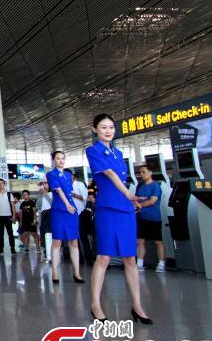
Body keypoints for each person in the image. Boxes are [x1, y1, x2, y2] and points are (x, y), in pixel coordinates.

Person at [86, 114, 151, 324]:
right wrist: (129, 194)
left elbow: (121, 178)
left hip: (125, 209)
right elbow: (112, 176)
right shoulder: (93, 150)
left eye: (111, 127)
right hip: (107, 208)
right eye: (103, 127)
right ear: (95, 129)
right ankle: (95, 305)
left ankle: (137, 306)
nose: (108, 131)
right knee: (104, 257)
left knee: (130, 258)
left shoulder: (119, 152)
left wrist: (130, 201)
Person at [45, 152, 84, 284]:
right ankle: (55, 272)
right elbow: (59, 190)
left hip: (71, 210)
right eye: (58, 158)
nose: (61, 161)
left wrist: (70, 205)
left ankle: (77, 273)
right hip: (59, 209)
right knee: (57, 241)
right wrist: (67, 204)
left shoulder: (68, 175)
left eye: (63, 158)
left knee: (73, 241)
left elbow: (68, 191)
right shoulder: (51, 174)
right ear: (53, 160)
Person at [135, 165, 166, 273]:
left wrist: (139, 205)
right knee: (140, 241)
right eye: (140, 172)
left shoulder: (155, 186)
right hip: (141, 217)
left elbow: (152, 201)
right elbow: (136, 199)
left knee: (158, 242)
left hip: (153, 218)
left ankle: (161, 264)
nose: (141, 174)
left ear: (150, 172)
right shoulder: (140, 185)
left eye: (144, 172)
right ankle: (139, 263)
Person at [0, 178, 17, 255]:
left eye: (2, 183)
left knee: (10, 234)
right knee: (0, 235)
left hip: (8, 216)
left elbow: (13, 206)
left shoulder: (9, 194)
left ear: (4, 184)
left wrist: (14, 216)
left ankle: (13, 249)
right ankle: (1, 250)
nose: (0, 185)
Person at [69, 171, 89, 263]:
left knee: (83, 236)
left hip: (80, 213)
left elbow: (85, 197)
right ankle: (78, 258)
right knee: (74, 237)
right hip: (70, 214)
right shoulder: (65, 186)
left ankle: (88, 257)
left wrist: (73, 195)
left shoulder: (80, 184)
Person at [38, 180, 53, 262]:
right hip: (43, 214)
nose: (44, 185)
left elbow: (52, 203)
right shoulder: (41, 194)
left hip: (50, 213)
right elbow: (38, 205)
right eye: (43, 184)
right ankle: (46, 252)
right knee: (44, 233)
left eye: (46, 184)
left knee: (50, 233)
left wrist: (45, 194)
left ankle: (51, 253)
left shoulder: (53, 193)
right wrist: (40, 194)